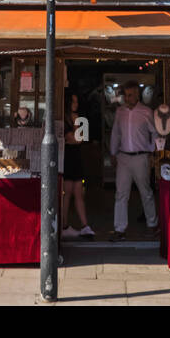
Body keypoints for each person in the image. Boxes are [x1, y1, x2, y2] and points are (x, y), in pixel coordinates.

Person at [109, 79, 158, 240]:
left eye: (131, 94)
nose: (129, 97)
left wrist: (152, 152)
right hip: (123, 156)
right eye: (127, 95)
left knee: (146, 191)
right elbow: (116, 132)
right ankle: (119, 229)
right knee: (121, 193)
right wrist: (113, 152)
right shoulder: (120, 112)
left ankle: (152, 224)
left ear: (137, 95)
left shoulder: (146, 112)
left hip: (140, 156)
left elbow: (154, 132)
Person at [61, 90, 94, 239]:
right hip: (67, 156)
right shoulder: (64, 119)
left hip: (77, 155)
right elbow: (74, 138)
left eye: (77, 101)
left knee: (78, 191)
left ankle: (85, 225)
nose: (76, 104)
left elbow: (82, 138)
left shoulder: (80, 118)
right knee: (67, 192)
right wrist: (75, 133)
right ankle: (64, 225)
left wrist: (75, 134)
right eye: (73, 101)